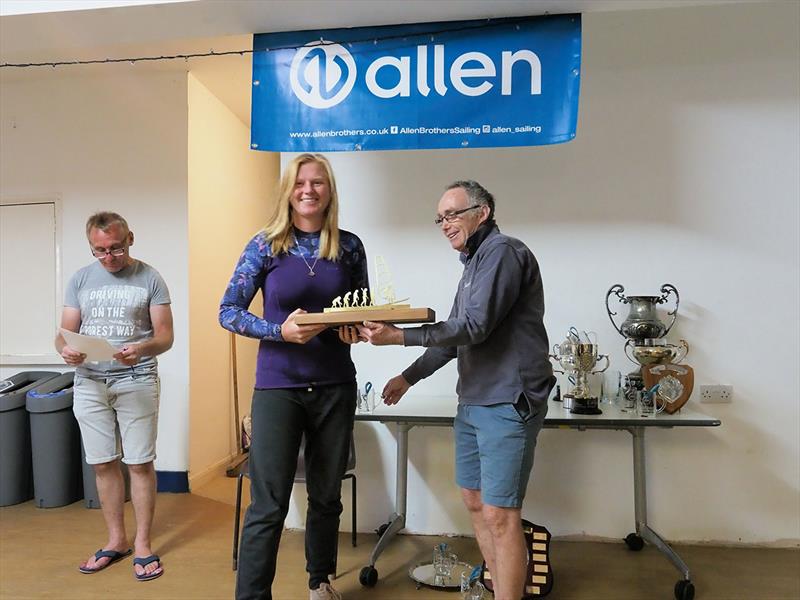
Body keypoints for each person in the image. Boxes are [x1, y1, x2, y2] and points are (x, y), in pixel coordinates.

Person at [358, 181, 555, 600]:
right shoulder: (473, 266)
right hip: (473, 402)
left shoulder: (503, 253)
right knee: (475, 502)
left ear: (481, 213)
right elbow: (456, 340)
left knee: (501, 515)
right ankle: (497, 588)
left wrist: (399, 337)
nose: (444, 224)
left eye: (452, 214)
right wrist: (408, 376)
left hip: (507, 401)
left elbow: (474, 327)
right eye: (440, 218)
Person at [219, 153, 368, 600]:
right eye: (300, 182)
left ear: (329, 190)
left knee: (326, 498)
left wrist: (355, 329)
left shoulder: (349, 246)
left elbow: (360, 312)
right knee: (268, 504)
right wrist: (277, 332)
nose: (308, 190)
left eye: (318, 182)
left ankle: (319, 582)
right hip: (278, 388)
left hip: (334, 385)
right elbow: (228, 312)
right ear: (289, 190)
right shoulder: (264, 245)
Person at [56, 211, 173, 582]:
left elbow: (165, 336)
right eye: (100, 251)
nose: (109, 257)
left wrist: (142, 347)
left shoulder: (150, 278)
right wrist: (66, 351)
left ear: (130, 239)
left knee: (139, 463)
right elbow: (64, 334)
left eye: (116, 248)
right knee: (103, 462)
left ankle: (142, 544)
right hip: (89, 380)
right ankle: (116, 540)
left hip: (136, 378)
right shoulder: (80, 279)